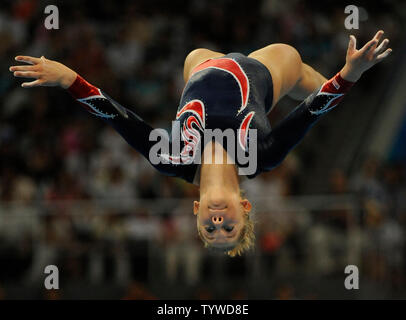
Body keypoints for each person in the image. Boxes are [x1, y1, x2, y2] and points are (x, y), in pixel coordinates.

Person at [9, 30, 391, 257]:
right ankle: (321, 75)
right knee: (299, 69)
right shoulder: (261, 156)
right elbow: (311, 112)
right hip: (266, 73)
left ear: (196, 210)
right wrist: (349, 74)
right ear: (244, 207)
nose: (219, 223)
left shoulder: (171, 158)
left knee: (196, 55)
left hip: (200, 65)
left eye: (210, 230)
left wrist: (68, 79)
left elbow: (115, 114)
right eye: (229, 228)